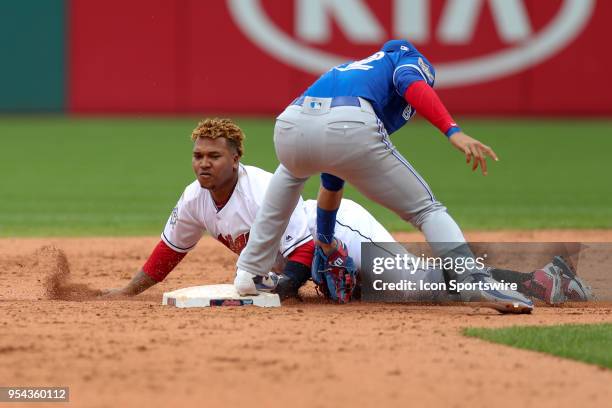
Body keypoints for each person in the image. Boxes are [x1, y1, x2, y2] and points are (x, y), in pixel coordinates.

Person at [101, 118, 594, 307]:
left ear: (236, 158)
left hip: (344, 231)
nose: (203, 163)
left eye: (213, 155)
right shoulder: (194, 199)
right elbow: (168, 251)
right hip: (320, 242)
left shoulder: (265, 189)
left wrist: (286, 292)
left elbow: (310, 245)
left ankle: (544, 280)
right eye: (197, 156)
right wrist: (127, 292)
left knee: (421, 288)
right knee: (408, 289)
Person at [233, 39, 530, 313]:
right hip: (350, 122)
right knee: (427, 209)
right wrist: (453, 131)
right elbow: (411, 83)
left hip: (290, 123)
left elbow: (332, 178)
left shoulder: (349, 71)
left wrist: (325, 239)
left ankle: (249, 272)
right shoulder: (402, 56)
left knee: (288, 177)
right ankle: (473, 278)